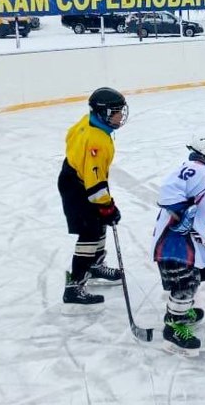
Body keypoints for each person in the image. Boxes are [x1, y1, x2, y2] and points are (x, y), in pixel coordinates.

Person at [152, 135, 205, 355]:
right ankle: (174, 326)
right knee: (184, 283)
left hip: (194, 242)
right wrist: (181, 212)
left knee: (195, 278)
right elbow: (169, 190)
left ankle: (180, 311)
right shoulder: (197, 168)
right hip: (175, 242)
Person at [58, 87, 128, 307]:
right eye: (115, 111)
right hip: (77, 187)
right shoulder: (97, 141)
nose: (120, 116)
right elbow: (95, 185)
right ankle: (75, 286)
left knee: (99, 224)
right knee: (89, 232)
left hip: (74, 176)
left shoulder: (87, 121)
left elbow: (70, 137)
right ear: (103, 113)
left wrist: (104, 209)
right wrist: (107, 206)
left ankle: (94, 265)